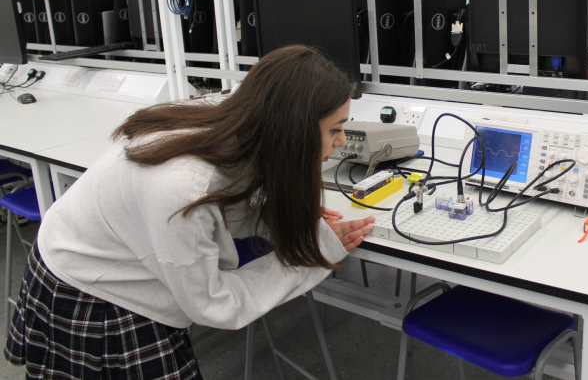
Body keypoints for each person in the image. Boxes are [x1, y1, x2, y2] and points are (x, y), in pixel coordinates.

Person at [5, 45, 375, 379]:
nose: (342, 141)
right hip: (94, 289)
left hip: (121, 253)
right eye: (335, 130)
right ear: (292, 131)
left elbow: (226, 196)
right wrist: (314, 254)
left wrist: (278, 220)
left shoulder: (233, 119)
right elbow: (213, 304)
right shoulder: (181, 190)